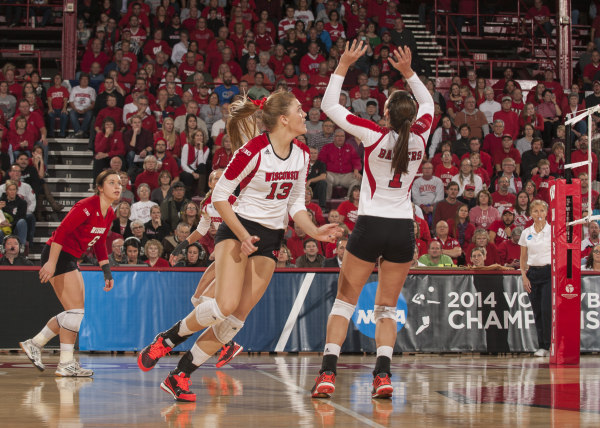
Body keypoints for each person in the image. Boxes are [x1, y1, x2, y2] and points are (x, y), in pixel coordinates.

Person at [137, 84, 341, 402]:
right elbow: (219, 197)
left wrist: (315, 232)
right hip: (237, 229)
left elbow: (297, 204)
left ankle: (180, 376)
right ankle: (168, 338)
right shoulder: (253, 150)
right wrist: (244, 236)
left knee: (235, 320)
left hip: (271, 237)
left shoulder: (302, 154)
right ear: (283, 119)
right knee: (224, 306)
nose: (306, 113)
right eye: (299, 109)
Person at [310, 43, 433, 400]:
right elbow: (428, 105)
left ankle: (328, 375)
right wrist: (409, 73)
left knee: (344, 303)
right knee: (386, 308)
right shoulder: (422, 136)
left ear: (386, 116)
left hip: (370, 224)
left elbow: (329, 106)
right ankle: (383, 375)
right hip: (401, 229)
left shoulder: (373, 135)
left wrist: (344, 64)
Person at [19, 170, 120, 376]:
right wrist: (51, 263)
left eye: (120, 183)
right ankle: (61, 361)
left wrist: (106, 271)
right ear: (100, 188)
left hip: (70, 258)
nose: (118, 186)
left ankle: (38, 345)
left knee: (74, 313)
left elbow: (100, 241)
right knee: (75, 312)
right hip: (58, 255)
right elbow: (62, 232)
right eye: (112, 182)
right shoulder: (85, 207)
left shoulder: (109, 212)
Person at [519, 199, 552, 357]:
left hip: (548, 272)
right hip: (532, 274)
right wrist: (524, 277)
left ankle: (549, 344)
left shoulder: (552, 231)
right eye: (535, 211)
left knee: (546, 310)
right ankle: (542, 346)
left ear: (546, 212)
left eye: (541, 211)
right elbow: (523, 258)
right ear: (530, 213)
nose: (539, 214)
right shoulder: (527, 233)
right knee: (537, 311)